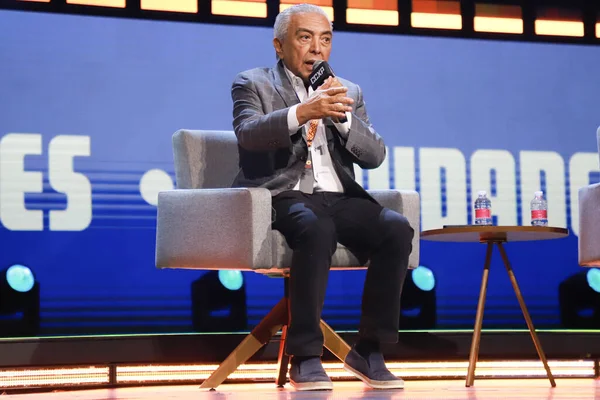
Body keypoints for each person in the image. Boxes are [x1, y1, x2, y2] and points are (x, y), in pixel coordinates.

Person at [230, 3, 414, 391]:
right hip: (284, 193)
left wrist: (343, 116)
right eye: (305, 37)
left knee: (396, 229)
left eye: (325, 39)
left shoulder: (348, 90)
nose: (317, 49)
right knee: (316, 229)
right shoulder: (253, 82)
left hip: (338, 194)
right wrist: (302, 111)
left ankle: (370, 348)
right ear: (279, 46)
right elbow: (248, 133)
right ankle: (305, 356)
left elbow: (375, 157)